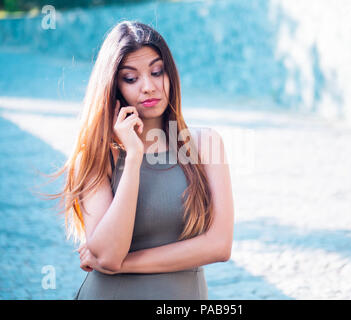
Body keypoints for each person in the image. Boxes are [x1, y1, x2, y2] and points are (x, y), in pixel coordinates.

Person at [52, 20, 234, 300]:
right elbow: (109, 253)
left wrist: (121, 264)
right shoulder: (97, 156)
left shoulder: (205, 143)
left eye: (157, 72)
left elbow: (220, 245)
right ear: (114, 87)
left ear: (170, 74)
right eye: (131, 78)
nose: (148, 86)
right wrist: (134, 157)